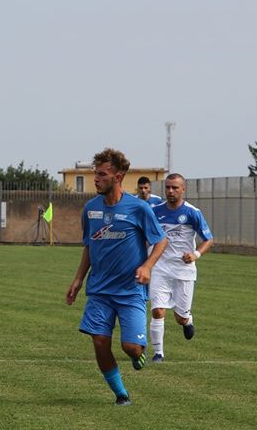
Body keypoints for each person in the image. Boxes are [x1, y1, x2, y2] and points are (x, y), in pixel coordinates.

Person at [66, 148, 168, 407]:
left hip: (130, 290)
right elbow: (89, 245)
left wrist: (147, 267)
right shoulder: (90, 209)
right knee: (100, 341)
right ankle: (121, 394)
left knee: (131, 348)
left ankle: (138, 353)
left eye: (102, 174)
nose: (96, 179)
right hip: (99, 290)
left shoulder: (139, 208)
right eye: (95, 174)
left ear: (118, 176)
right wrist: (78, 279)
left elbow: (161, 241)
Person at [149, 173, 214, 363]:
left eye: (175, 188)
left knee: (180, 317)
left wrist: (195, 254)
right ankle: (158, 353)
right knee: (158, 310)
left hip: (183, 270)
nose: (170, 191)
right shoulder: (155, 211)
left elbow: (209, 239)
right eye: (168, 187)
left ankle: (187, 320)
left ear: (183, 190)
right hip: (160, 267)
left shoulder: (193, 212)